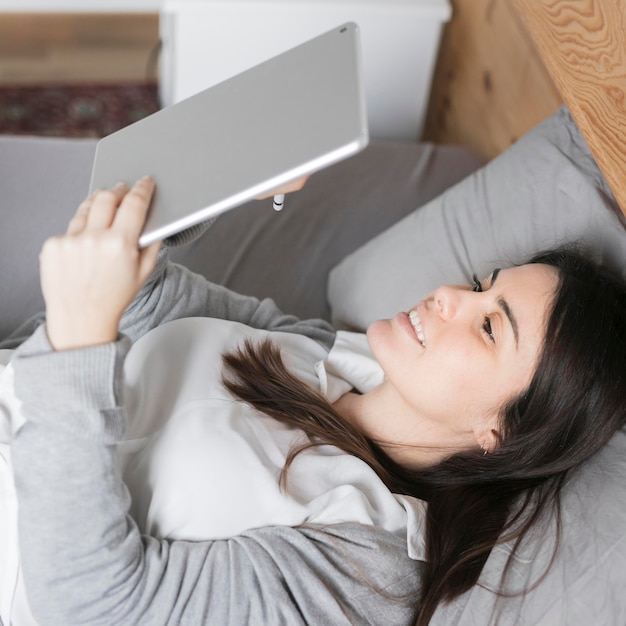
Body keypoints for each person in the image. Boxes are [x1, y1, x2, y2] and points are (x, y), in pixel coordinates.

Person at [4, 177, 626, 625]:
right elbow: (146, 301)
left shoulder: (367, 570)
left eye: (491, 326)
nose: (447, 294)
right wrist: (218, 173)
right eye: (477, 286)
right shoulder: (324, 352)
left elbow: (93, 607)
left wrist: (77, 340)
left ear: (501, 432)